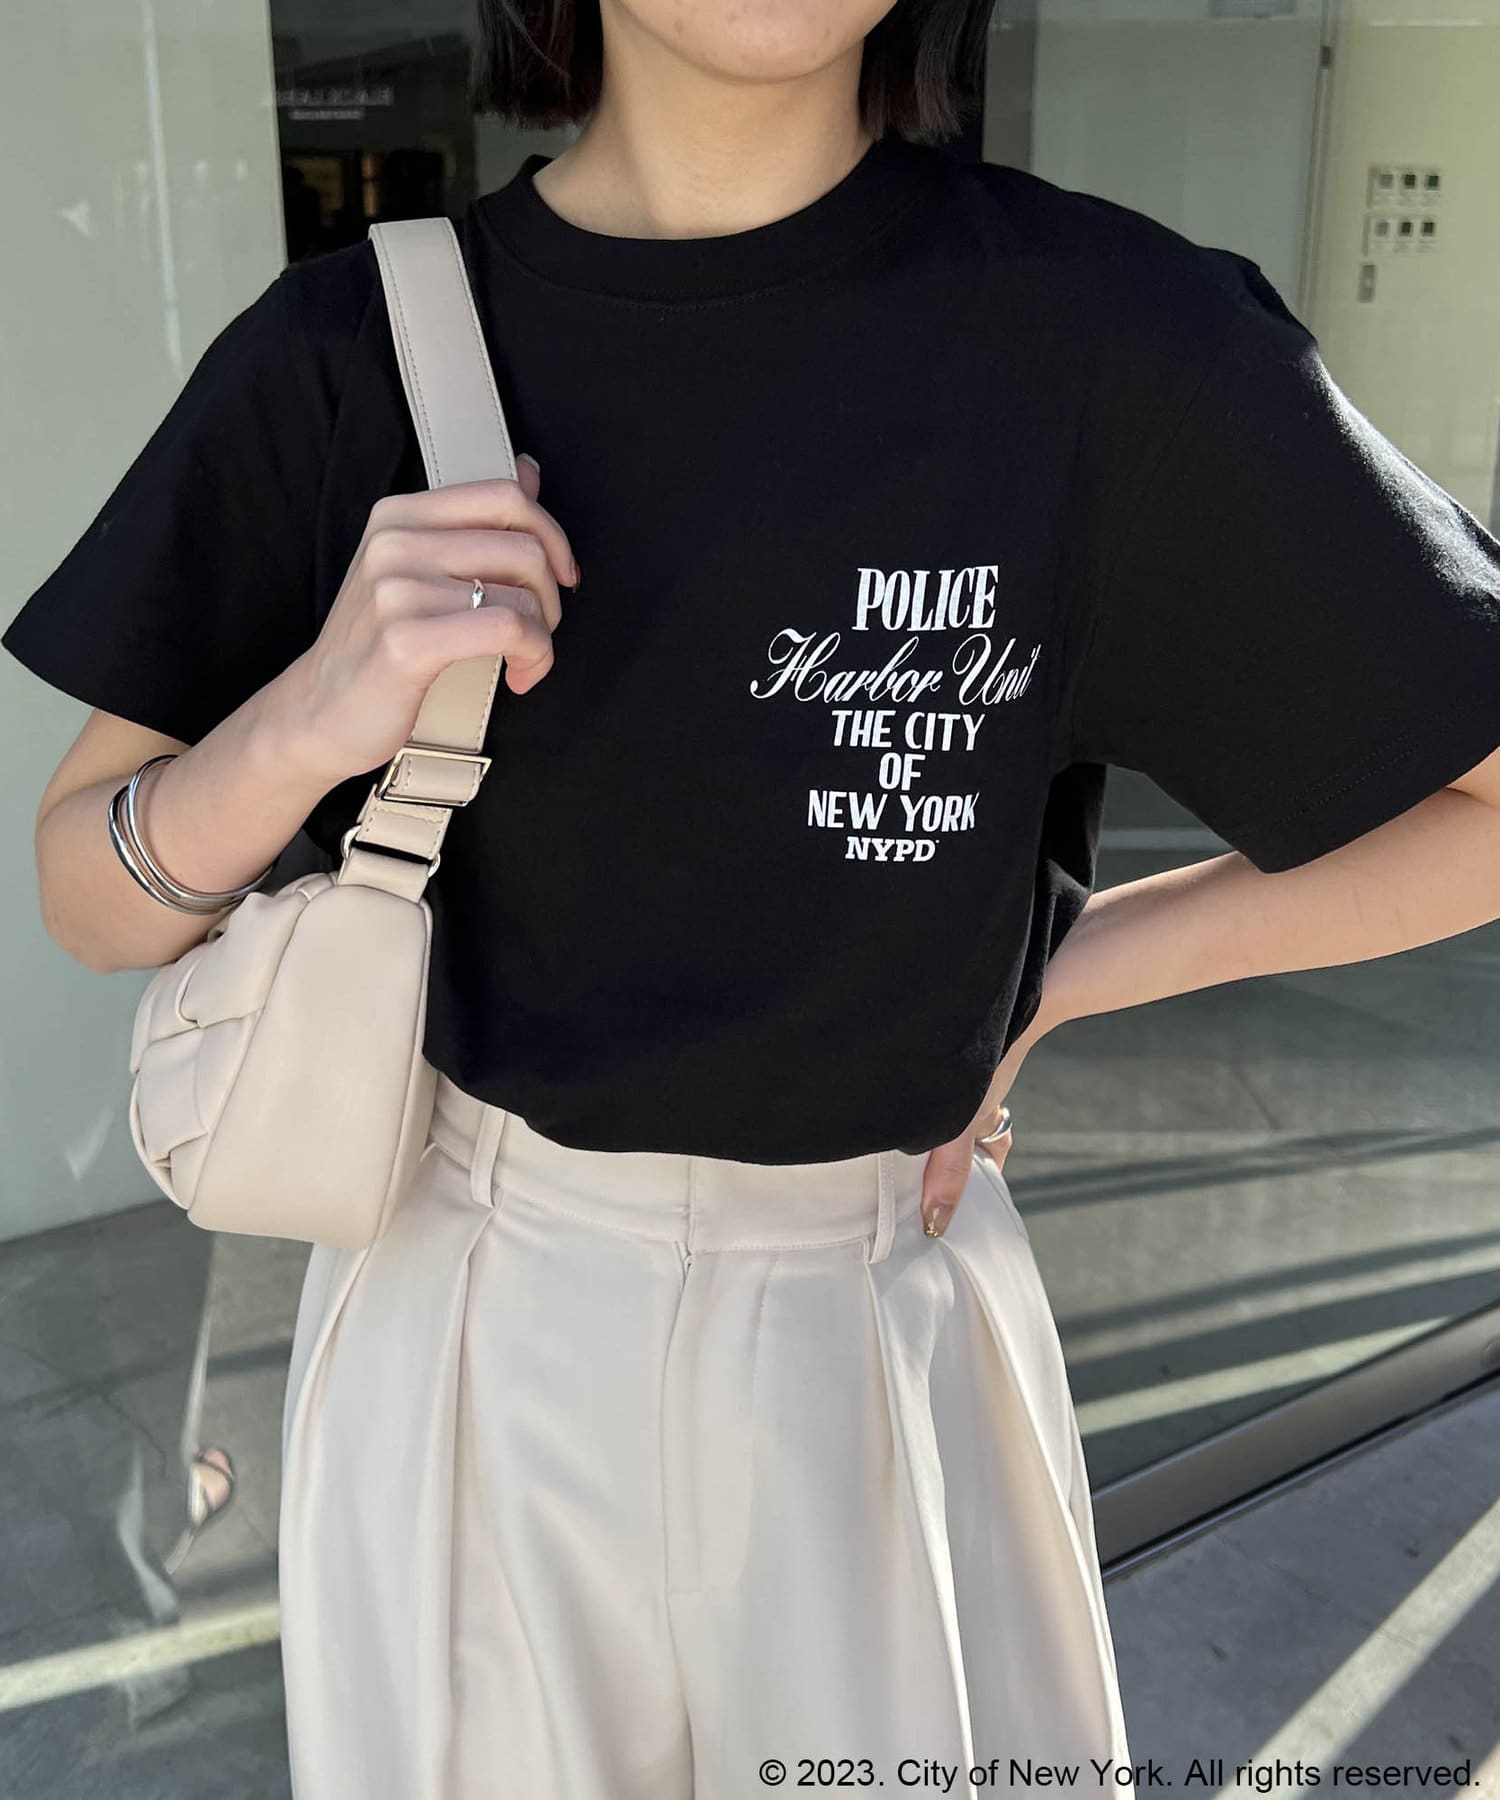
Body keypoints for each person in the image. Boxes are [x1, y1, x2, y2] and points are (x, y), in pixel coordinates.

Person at [7, 1, 1500, 1794]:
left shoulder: (1109, 339)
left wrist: (1060, 975)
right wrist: (310, 718)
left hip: (879, 1330)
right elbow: (90, 894)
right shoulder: (354, 348)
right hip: (459, 1317)